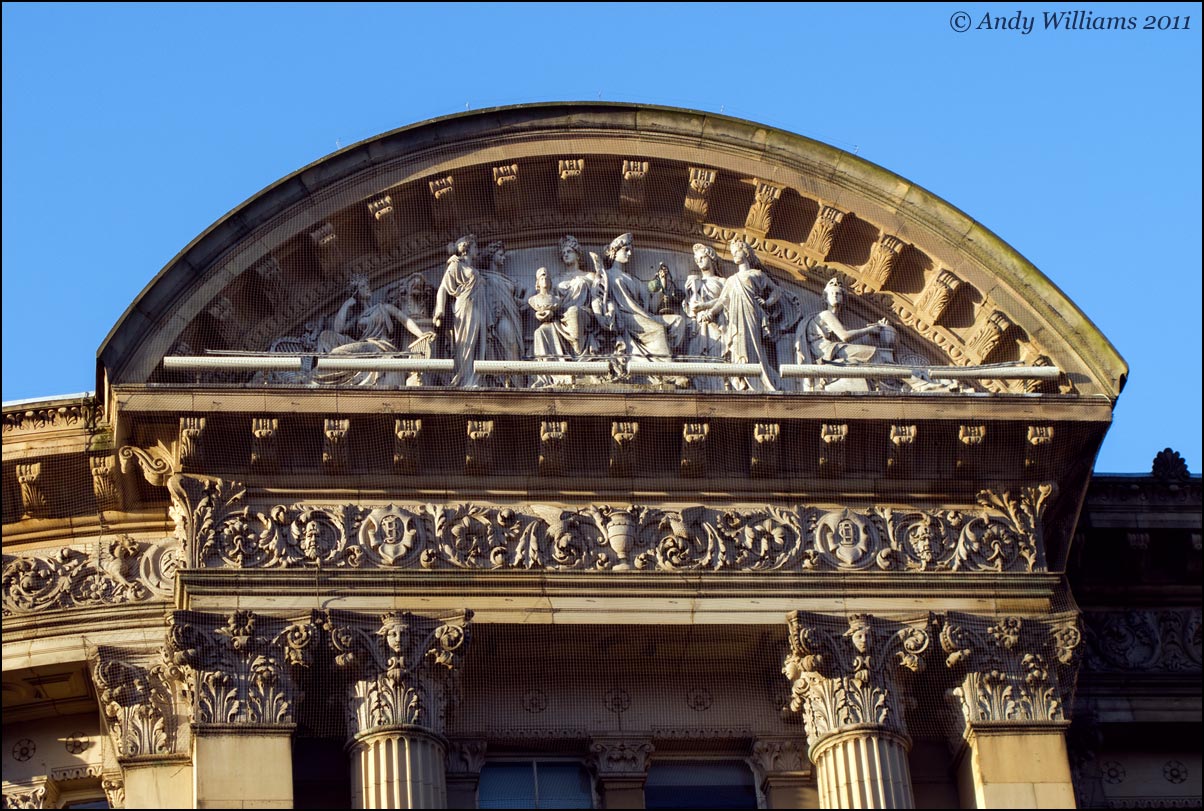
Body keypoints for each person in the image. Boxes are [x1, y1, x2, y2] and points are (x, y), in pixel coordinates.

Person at [313, 273, 433, 387]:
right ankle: (319, 373)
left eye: (367, 285)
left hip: (379, 346)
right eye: (363, 286)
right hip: (364, 346)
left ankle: (322, 371)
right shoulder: (358, 318)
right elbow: (338, 329)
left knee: (336, 353)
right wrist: (347, 304)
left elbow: (405, 320)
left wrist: (422, 334)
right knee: (326, 336)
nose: (367, 288)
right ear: (357, 292)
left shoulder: (383, 307)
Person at [695, 239, 782, 391]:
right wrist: (708, 312)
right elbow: (722, 301)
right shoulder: (731, 280)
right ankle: (741, 379)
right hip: (735, 318)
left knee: (753, 345)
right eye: (732, 252)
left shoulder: (757, 274)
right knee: (737, 345)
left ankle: (758, 378)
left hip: (751, 313)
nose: (734, 254)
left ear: (746, 252)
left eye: (737, 251)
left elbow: (777, 291)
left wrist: (766, 302)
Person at [592, 233, 682, 360]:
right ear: (614, 252)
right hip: (624, 317)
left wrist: (663, 284)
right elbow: (598, 297)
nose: (629, 254)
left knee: (678, 320)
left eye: (630, 251)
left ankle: (674, 355)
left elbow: (651, 307)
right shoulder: (607, 276)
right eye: (626, 250)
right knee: (658, 330)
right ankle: (669, 369)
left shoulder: (635, 280)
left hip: (641, 316)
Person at [798, 277, 897, 366]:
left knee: (869, 353)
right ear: (825, 299)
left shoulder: (838, 321)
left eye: (838, 293)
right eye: (831, 293)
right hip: (828, 351)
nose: (835, 296)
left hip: (834, 349)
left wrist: (878, 327)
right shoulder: (826, 314)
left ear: (843, 298)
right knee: (874, 353)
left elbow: (855, 339)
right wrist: (869, 329)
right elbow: (845, 336)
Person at [433, 234, 488, 387]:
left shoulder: (471, 268)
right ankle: (464, 379)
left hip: (478, 308)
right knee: (465, 344)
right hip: (465, 308)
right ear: (466, 249)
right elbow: (443, 288)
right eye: (475, 246)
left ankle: (475, 377)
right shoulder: (456, 265)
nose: (478, 250)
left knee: (477, 343)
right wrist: (440, 310)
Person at [685, 243, 727, 390]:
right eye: (697, 259)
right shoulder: (695, 282)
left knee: (716, 357)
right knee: (696, 359)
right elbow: (689, 309)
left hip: (714, 325)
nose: (700, 261)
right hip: (698, 327)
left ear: (711, 258)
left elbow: (724, 300)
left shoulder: (722, 282)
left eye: (703, 257)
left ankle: (718, 387)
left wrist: (705, 307)